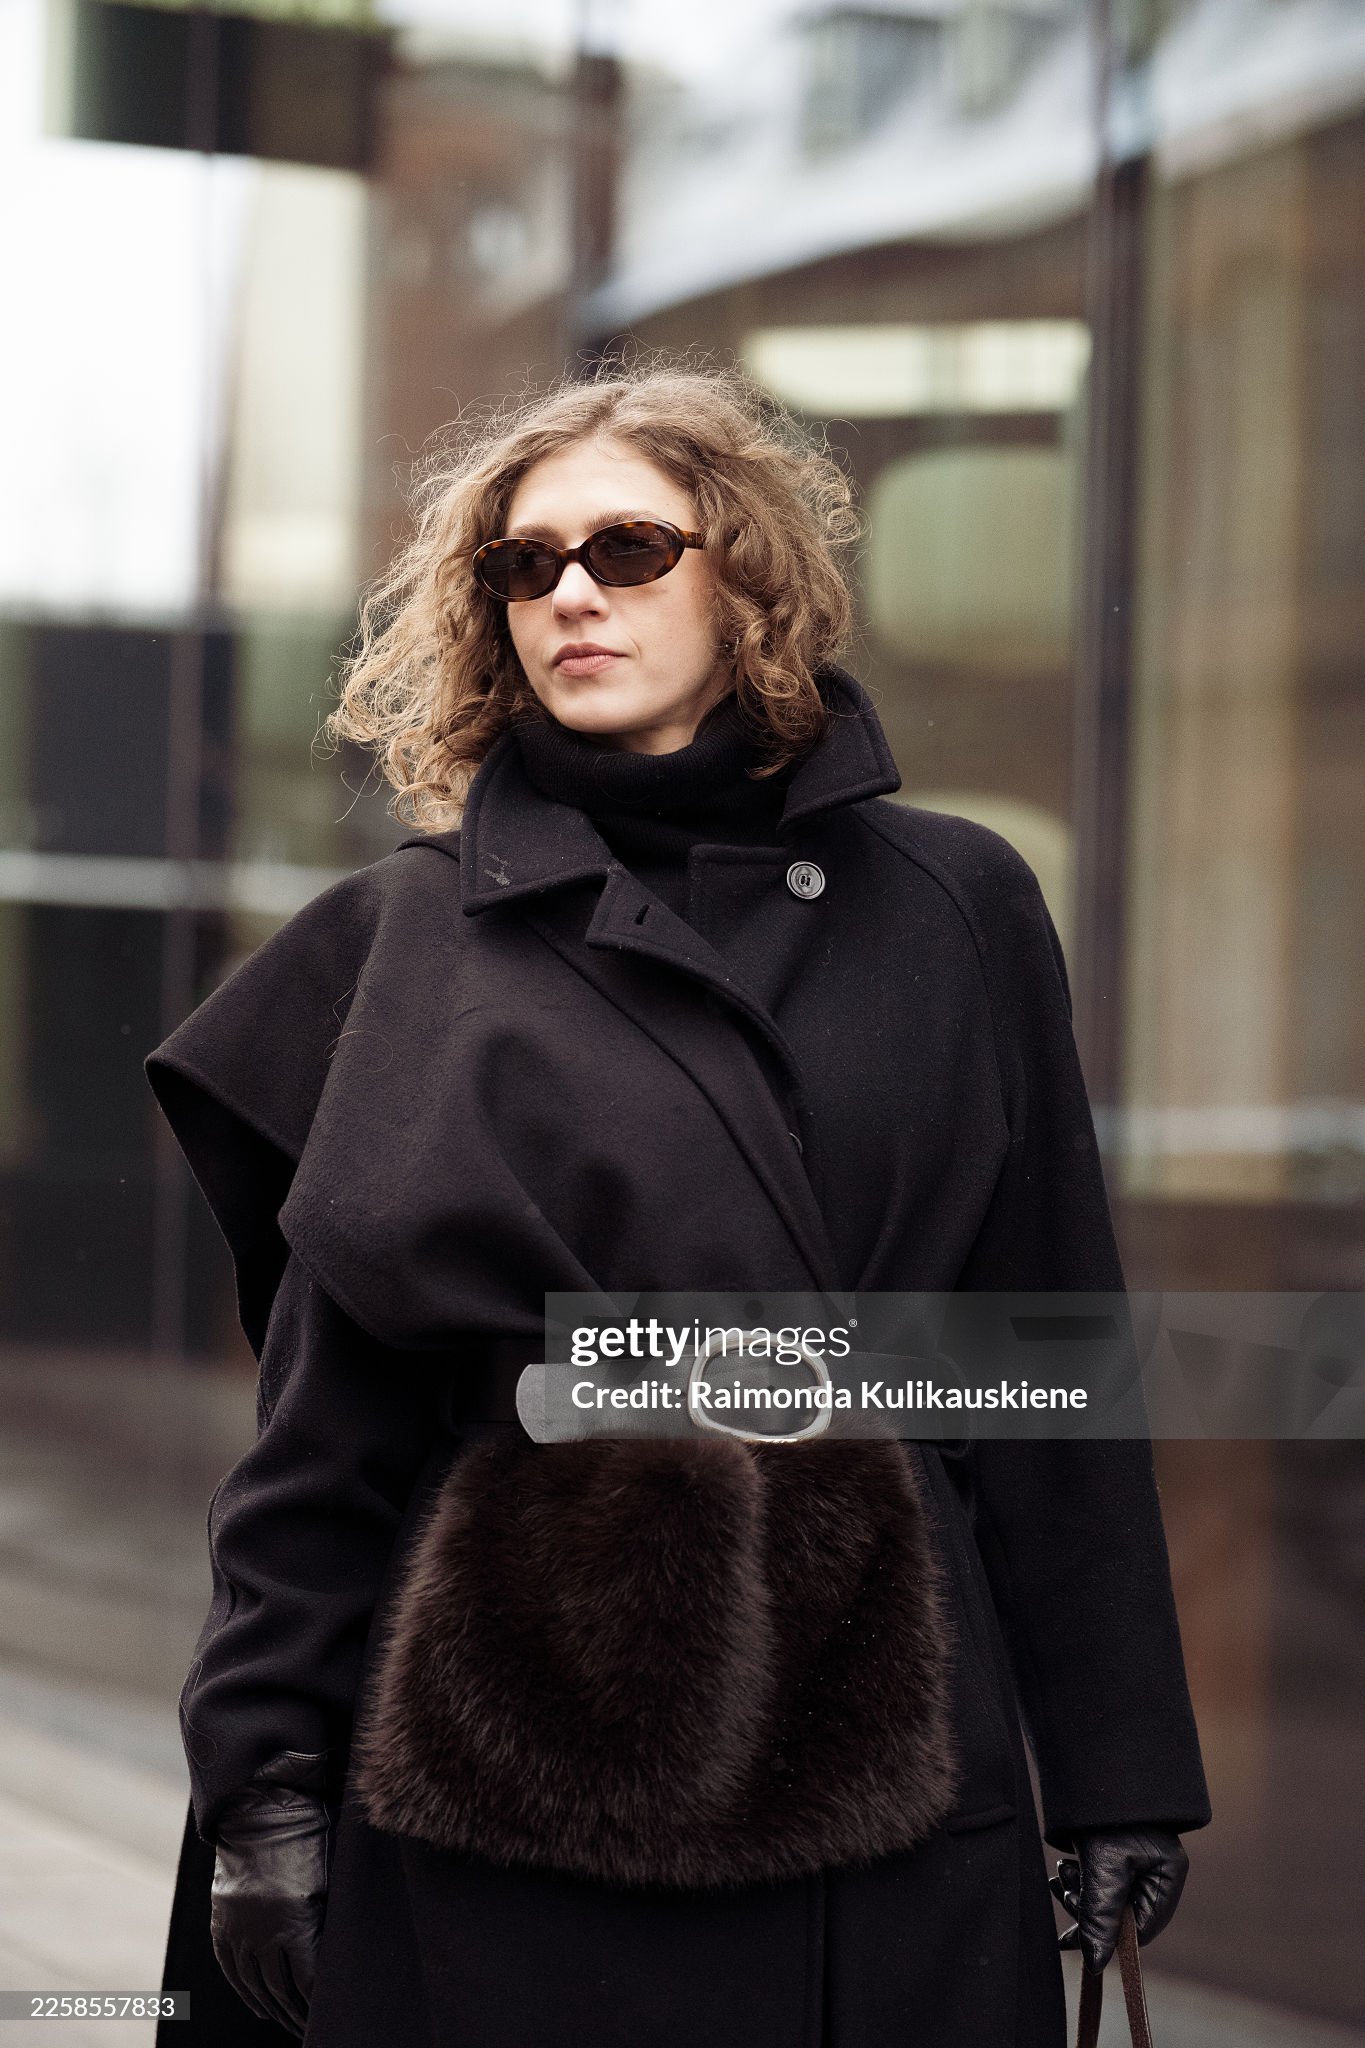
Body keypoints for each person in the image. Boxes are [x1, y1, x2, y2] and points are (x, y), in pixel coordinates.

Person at [147, 362, 1211, 2048]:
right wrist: (266, 1781)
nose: (570, 592)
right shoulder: (400, 942)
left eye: (628, 550)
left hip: (892, 1741)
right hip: (503, 1764)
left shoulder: (956, 902)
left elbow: (1044, 1358)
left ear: (744, 574)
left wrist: (1117, 1769)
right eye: (525, 563)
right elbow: (324, 1430)